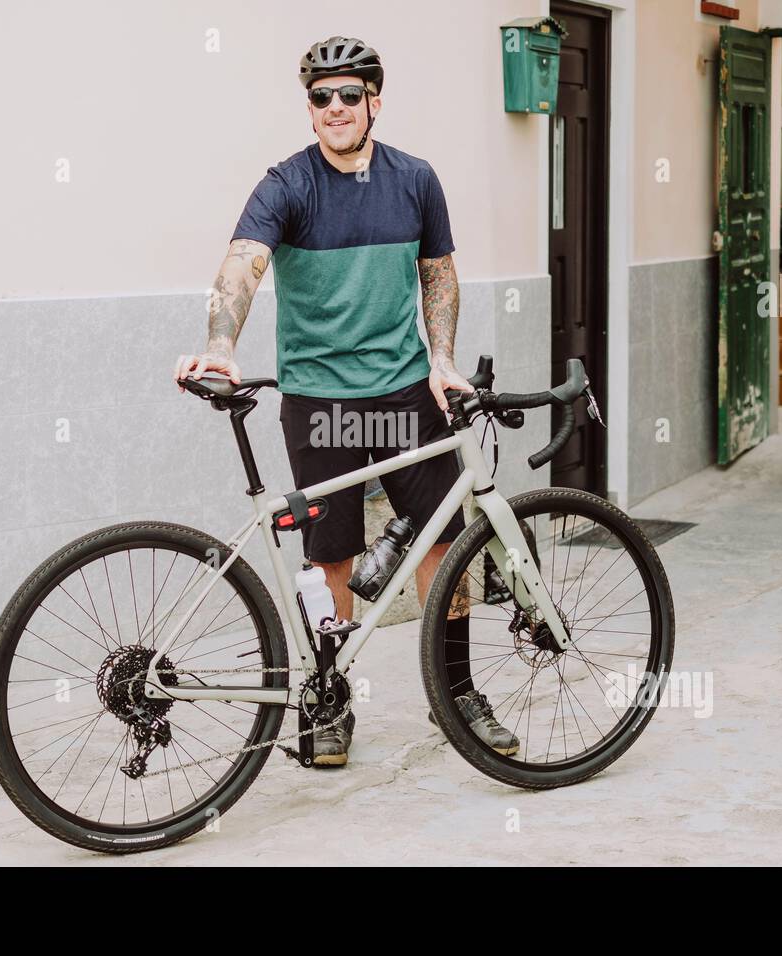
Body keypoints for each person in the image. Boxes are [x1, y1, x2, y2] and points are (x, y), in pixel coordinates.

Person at [174, 36, 518, 766]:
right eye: (321, 97)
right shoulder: (287, 184)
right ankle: (328, 700)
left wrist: (443, 361)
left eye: (349, 95)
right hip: (318, 399)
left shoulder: (416, 180)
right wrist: (221, 344)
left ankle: (453, 693)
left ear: (374, 104)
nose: (335, 107)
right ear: (310, 110)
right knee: (332, 559)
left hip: (403, 390)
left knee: (443, 544)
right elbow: (243, 263)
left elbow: (440, 276)